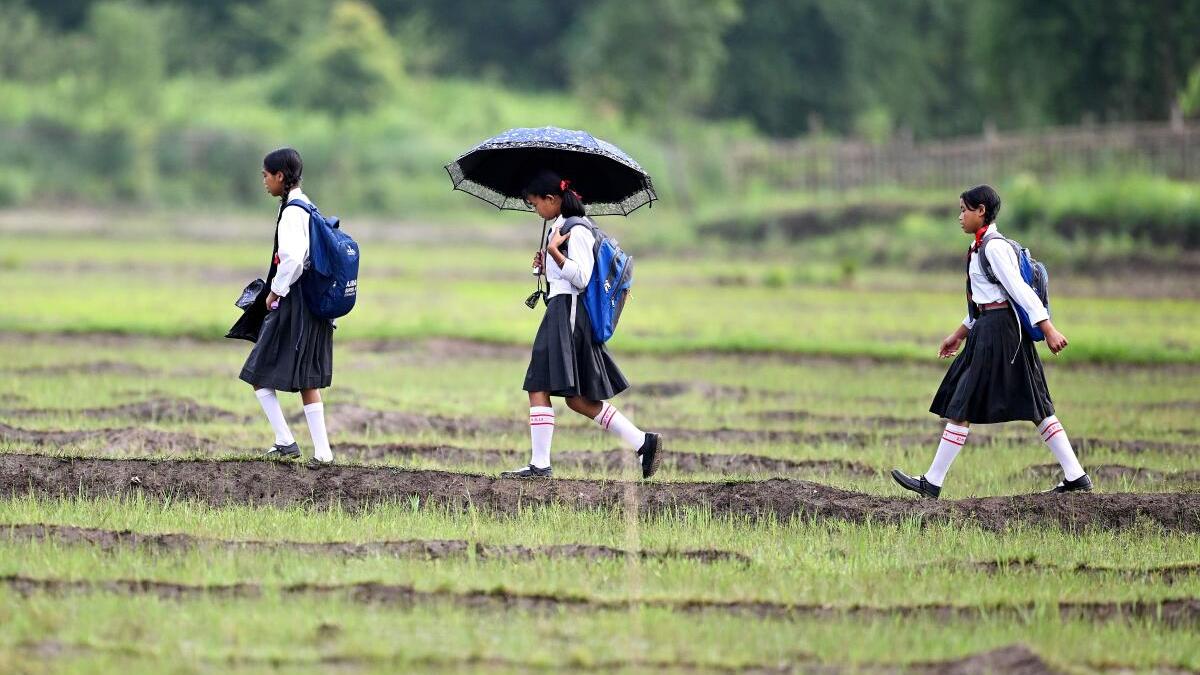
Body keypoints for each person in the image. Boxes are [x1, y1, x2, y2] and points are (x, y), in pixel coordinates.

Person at [892, 185, 1091, 498]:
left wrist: (1048, 328)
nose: (960, 216)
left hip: (999, 333)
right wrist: (958, 334)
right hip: (989, 327)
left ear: (980, 210)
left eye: (963, 209)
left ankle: (932, 481)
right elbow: (985, 301)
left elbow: (1018, 291)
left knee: (963, 401)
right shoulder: (980, 247)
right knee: (1034, 403)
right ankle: (1076, 475)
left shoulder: (994, 248)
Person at [502, 170, 662, 479]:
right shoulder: (561, 227)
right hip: (561, 310)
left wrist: (554, 255)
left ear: (552, 199)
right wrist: (544, 265)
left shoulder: (578, 230)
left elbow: (581, 278)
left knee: (538, 385)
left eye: (535, 204)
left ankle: (540, 466)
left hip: (569, 314)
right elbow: (563, 277)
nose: (535, 210)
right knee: (576, 399)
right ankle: (643, 442)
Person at [239, 147, 334, 466]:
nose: (264, 181)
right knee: (308, 379)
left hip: (293, 303)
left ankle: (285, 440)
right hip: (313, 304)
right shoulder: (309, 206)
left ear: (280, 176)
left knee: (257, 370)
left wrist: (274, 293)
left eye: (266, 175)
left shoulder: (293, 212)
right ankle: (322, 453)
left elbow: (292, 259)